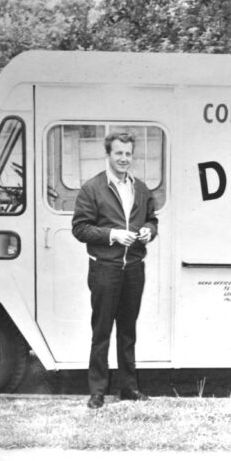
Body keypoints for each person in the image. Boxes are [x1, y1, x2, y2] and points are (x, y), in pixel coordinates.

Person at [72, 131, 158, 409]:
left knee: (127, 331)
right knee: (102, 331)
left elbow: (152, 219)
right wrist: (113, 235)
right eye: (119, 153)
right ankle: (97, 391)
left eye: (128, 154)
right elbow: (80, 228)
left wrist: (148, 231)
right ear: (108, 154)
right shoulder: (92, 188)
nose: (124, 159)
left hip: (133, 268)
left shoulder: (141, 188)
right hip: (105, 269)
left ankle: (128, 388)